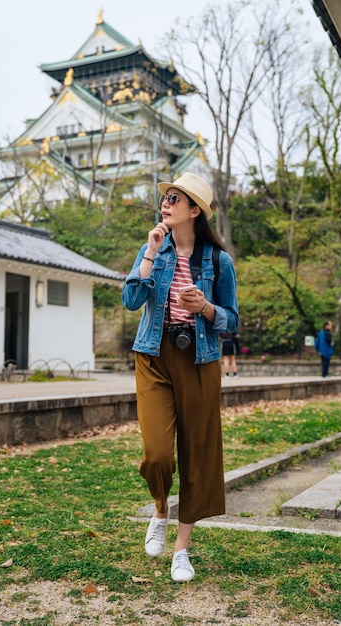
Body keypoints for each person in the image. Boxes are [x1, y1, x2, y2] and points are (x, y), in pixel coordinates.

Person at [121, 172, 239, 583]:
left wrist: (205, 307)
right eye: (165, 197)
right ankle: (159, 509)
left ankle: (182, 548)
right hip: (154, 356)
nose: (166, 203)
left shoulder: (217, 261)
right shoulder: (154, 247)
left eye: (176, 198)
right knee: (156, 453)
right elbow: (131, 299)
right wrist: (151, 254)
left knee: (198, 453)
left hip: (200, 360)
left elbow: (232, 320)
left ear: (194, 211)